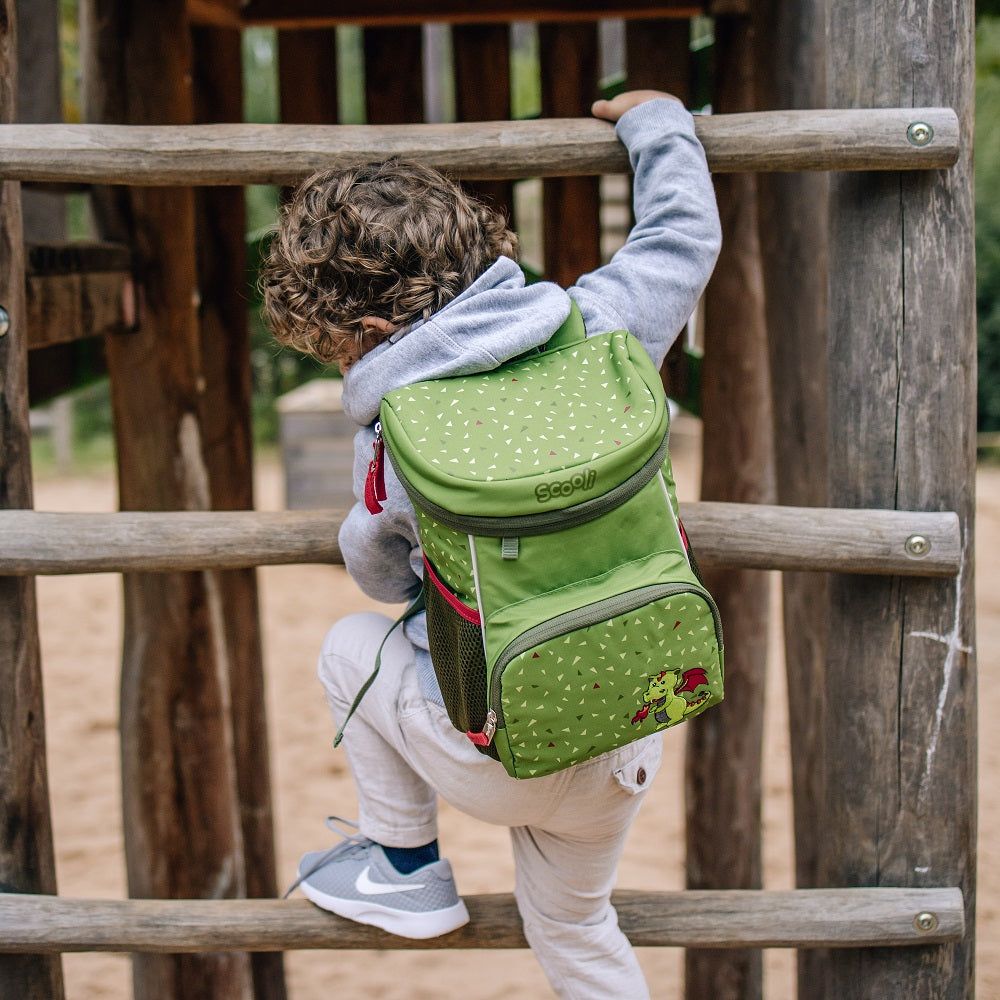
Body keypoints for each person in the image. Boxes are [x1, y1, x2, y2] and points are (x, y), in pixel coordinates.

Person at [261, 89, 721, 999]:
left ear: (371, 336)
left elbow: (381, 572)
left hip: (494, 750)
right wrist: (657, 120)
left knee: (351, 647)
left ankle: (403, 867)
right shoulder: (604, 326)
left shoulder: (398, 435)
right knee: (579, 930)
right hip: (629, 723)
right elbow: (683, 238)